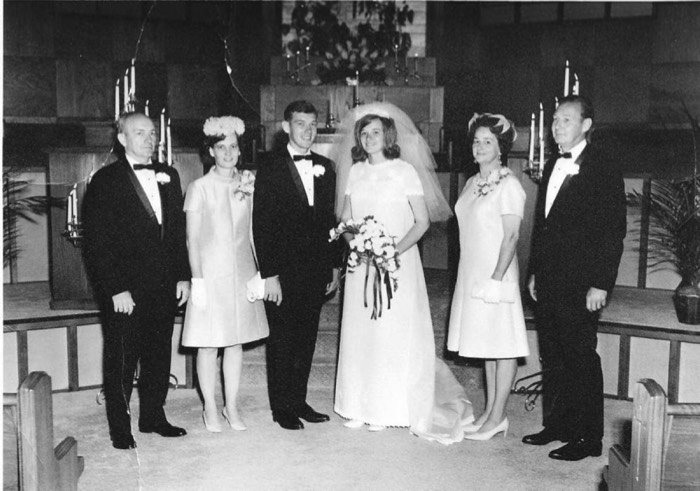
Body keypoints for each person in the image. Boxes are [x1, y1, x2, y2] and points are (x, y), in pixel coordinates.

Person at [332, 102, 472, 444]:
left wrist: (390, 251)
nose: (369, 138)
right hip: (363, 265)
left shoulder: (405, 171)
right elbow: (345, 220)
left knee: (389, 333)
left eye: (376, 132)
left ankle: (385, 408)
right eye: (364, 133)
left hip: (397, 263)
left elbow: (421, 222)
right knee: (362, 333)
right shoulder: (355, 171)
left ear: (388, 136)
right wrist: (358, 246)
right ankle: (358, 406)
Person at [523, 95, 626, 461]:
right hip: (549, 277)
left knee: (580, 356)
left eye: (565, 119)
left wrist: (602, 282)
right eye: (554, 119)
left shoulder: (603, 165)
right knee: (553, 353)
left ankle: (588, 437)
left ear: (586, 125)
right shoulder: (553, 162)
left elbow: (613, 230)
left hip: (582, 282)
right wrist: (534, 271)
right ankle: (558, 425)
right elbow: (543, 226)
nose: (556, 126)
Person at [82, 112, 191, 450]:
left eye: (152, 132)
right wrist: (115, 288)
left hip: (164, 285)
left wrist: (183, 276)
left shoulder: (170, 175)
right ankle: (120, 428)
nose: (149, 139)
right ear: (122, 139)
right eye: (140, 133)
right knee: (122, 360)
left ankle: (153, 417)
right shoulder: (105, 180)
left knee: (159, 355)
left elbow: (177, 232)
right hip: (125, 290)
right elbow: (97, 243)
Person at [252, 100, 343, 430]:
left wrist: (334, 266)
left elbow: (331, 221)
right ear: (286, 127)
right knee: (282, 340)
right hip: (282, 271)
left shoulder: (326, 166)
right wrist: (269, 274)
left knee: (306, 339)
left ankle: (299, 400)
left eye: (312, 124)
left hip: (316, 269)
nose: (308, 130)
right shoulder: (270, 166)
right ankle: (281, 408)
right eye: (301, 124)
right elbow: (261, 224)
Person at [182, 116, 269, 432]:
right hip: (210, 274)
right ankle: (209, 406)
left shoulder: (248, 183)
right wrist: (197, 280)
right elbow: (192, 239)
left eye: (233, 146)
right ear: (211, 151)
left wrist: (261, 271)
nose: (228, 153)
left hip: (242, 272)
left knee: (235, 343)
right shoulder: (199, 188)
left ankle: (231, 406)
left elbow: (256, 231)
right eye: (221, 147)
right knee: (208, 344)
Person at [447, 113, 529, 441]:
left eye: (488, 142)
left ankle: (498, 416)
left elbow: (511, 236)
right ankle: (489, 413)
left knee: (503, 344)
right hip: (472, 271)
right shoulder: (471, 183)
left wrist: (496, 279)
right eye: (477, 141)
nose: (480, 147)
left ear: (501, 148)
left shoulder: (509, 185)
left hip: (497, 273)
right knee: (488, 344)